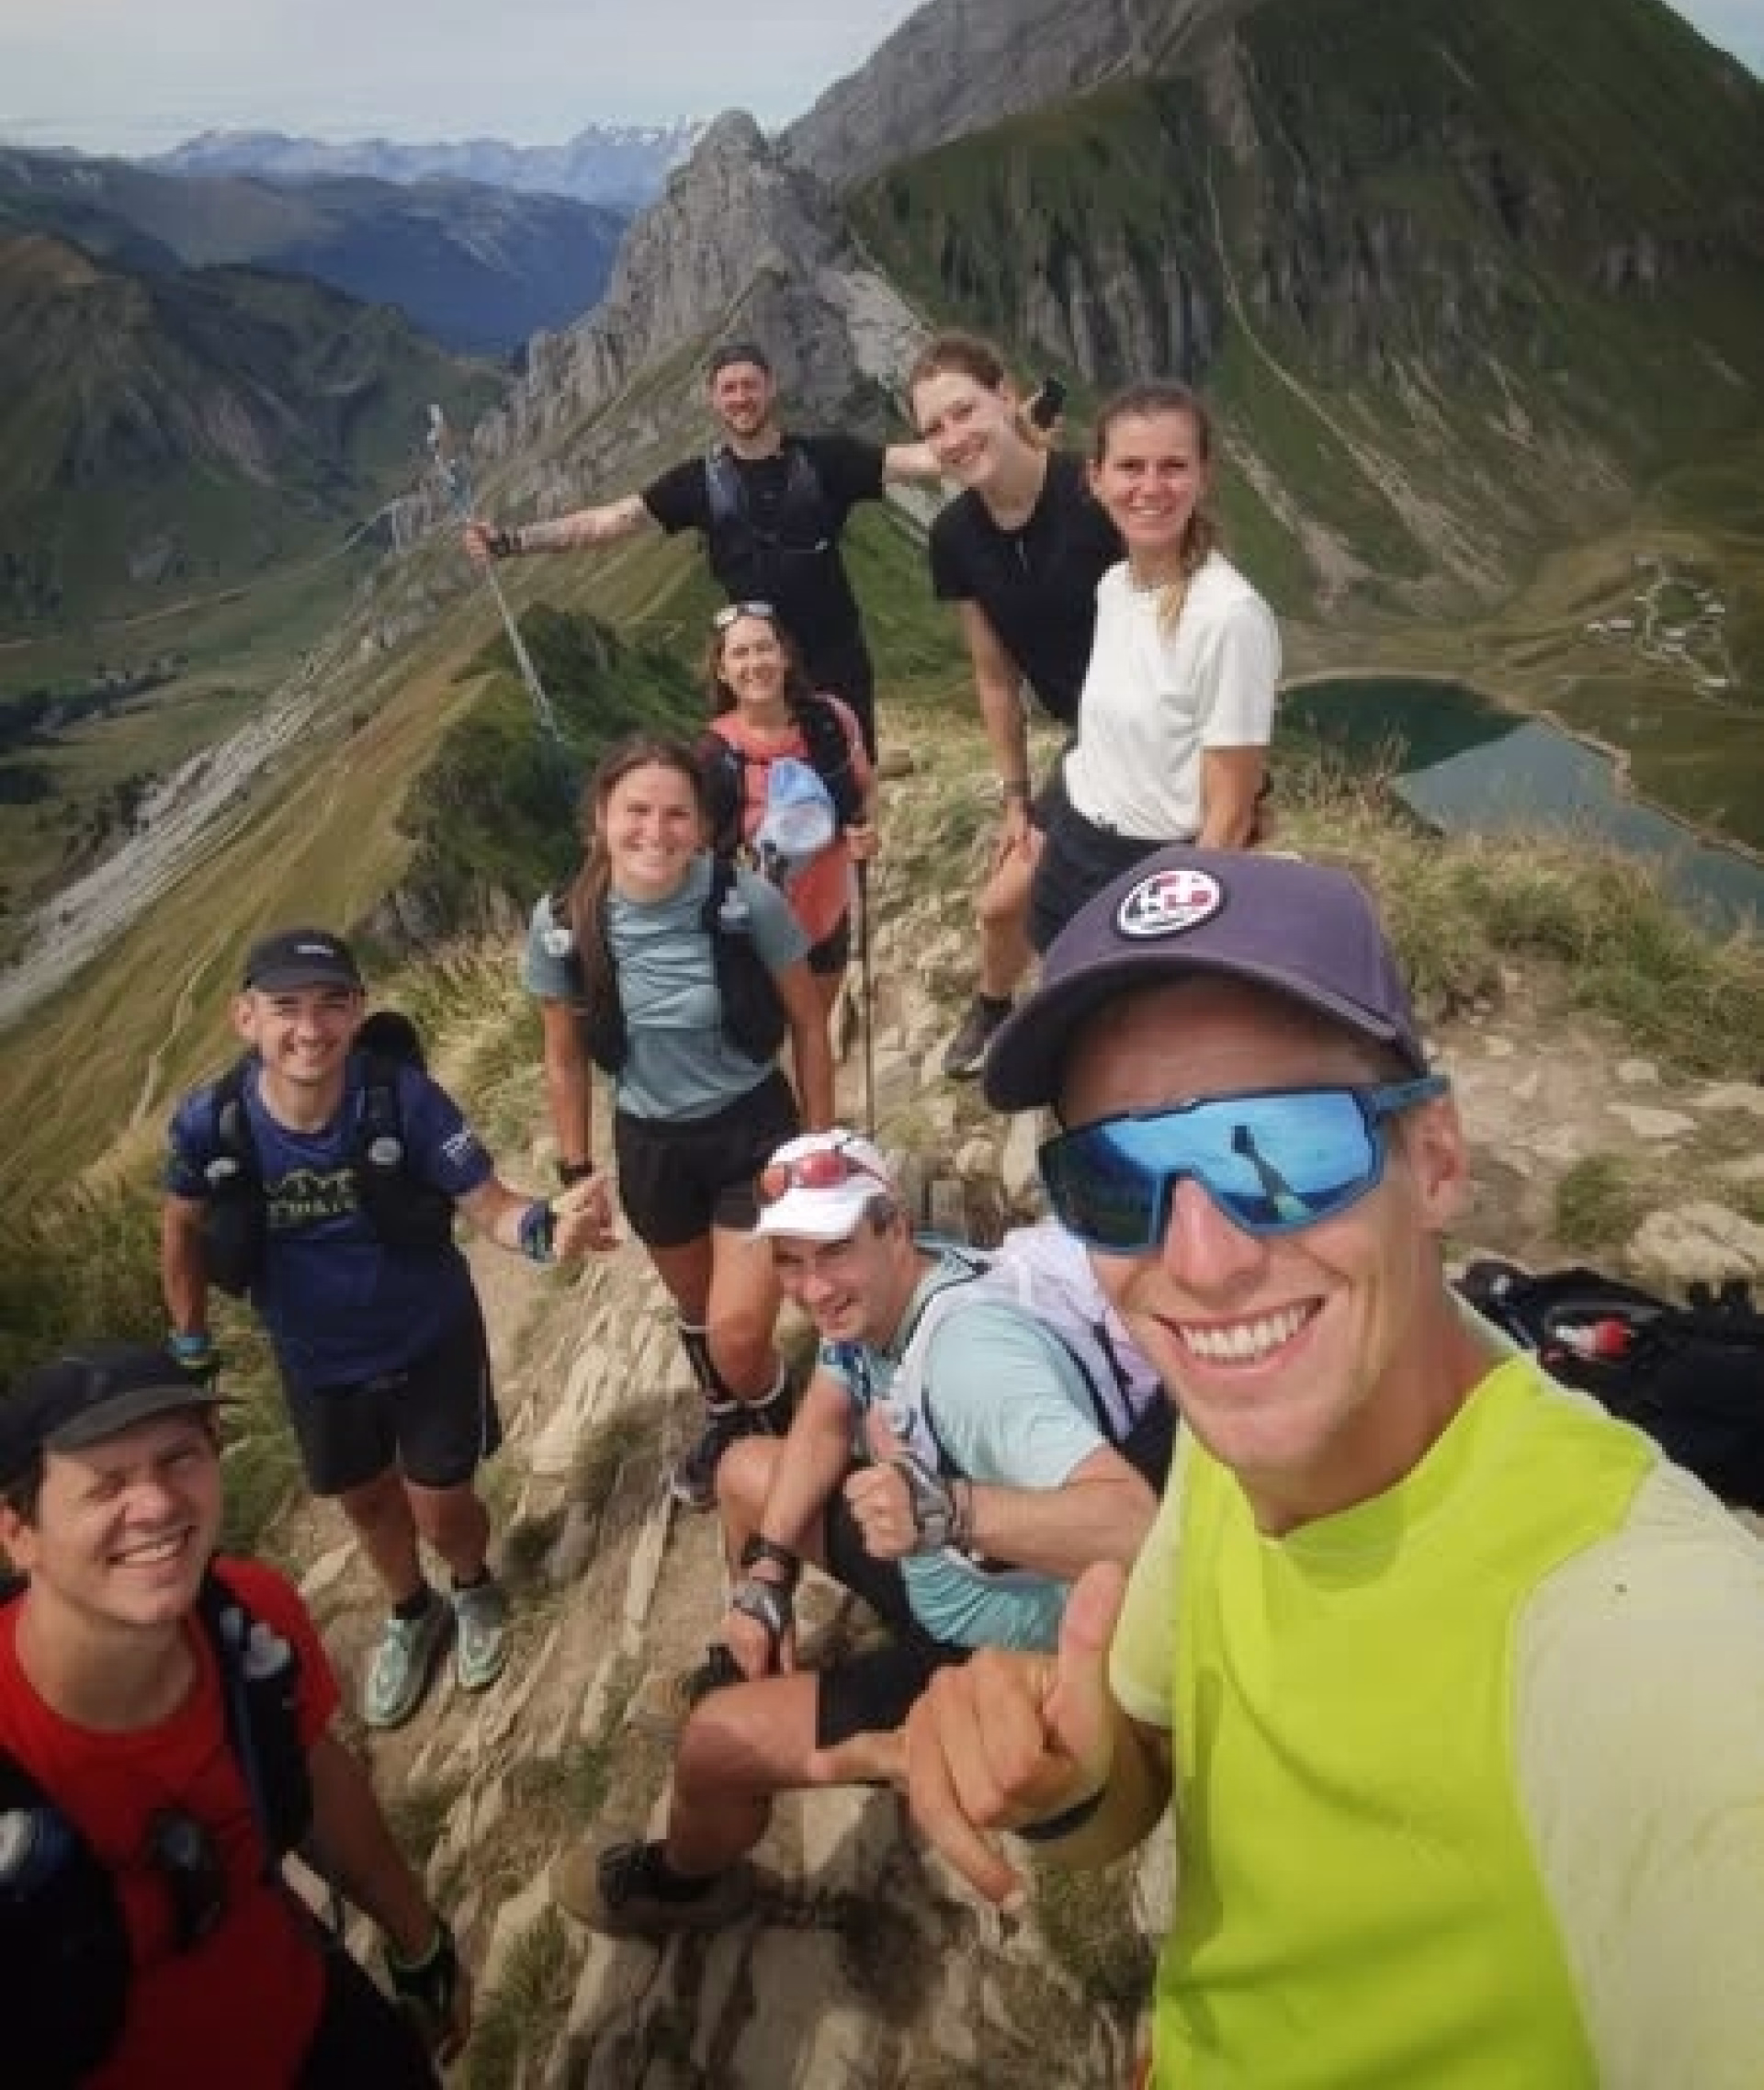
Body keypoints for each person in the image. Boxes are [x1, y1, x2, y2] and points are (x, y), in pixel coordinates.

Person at [902, 848, 1764, 2086]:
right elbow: (1141, 1768)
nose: (1200, 1260)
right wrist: (1067, 1777)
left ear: (1438, 1160)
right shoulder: (1230, 1427)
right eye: (1118, 1178)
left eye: (1282, 1148)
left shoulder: (1633, 1627)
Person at [550, 1128, 1160, 1936]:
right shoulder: (894, 1289)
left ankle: (685, 1882)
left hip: (990, 1650)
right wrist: (766, 1574)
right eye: (789, 1261)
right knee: (742, 1473)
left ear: (894, 1228)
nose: (811, 1289)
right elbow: (825, 1416)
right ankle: (750, 1655)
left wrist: (952, 1510)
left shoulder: (972, 1365)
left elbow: (1135, 1525)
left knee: (707, 1750)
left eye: (832, 1250)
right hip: (931, 1565)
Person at [161, 928, 606, 1732]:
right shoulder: (210, 1123)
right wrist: (190, 1351)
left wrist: (546, 1228)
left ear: (360, 1012)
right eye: (286, 1007)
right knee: (366, 1503)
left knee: (441, 1505)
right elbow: (182, 1230)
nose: (310, 1028)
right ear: (245, 1018)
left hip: (429, 1338)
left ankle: (471, 1585)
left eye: (332, 1005)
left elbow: (488, 1203)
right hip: (315, 1360)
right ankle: (412, 1609)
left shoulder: (403, 1098)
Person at [0, 1340, 470, 2084]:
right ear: (19, 1533)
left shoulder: (250, 1620)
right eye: (105, 1484)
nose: (156, 1504)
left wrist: (418, 1942)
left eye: (180, 1457)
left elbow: (316, 1783)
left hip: (318, 2028)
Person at [523, 734, 835, 1511]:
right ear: (600, 818)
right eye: (636, 812)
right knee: (697, 1311)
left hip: (750, 1130)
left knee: (735, 1331)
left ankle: (788, 1443)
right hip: (651, 1145)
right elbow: (563, 1058)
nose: (654, 833)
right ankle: (729, 1423)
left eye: (676, 815)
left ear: (701, 827)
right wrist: (574, 1171)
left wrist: (818, 1145)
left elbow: (808, 1021)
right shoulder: (564, 922)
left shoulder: (741, 899)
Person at [464, 339, 944, 755]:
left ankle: (851, 861)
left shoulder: (826, 461)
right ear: (712, 400)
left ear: (770, 388)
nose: (741, 399)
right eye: (729, 389)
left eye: (750, 385)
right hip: (755, 668)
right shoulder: (697, 484)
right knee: (761, 797)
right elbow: (611, 522)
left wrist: (995, 432)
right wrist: (512, 542)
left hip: (835, 658)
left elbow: (914, 460)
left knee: (851, 789)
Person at [909, 333, 1122, 1078]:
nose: (953, 437)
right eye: (934, 428)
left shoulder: (1094, 490)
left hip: (1165, 738)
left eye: (964, 410)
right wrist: (1015, 801)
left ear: (1006, 396)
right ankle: (994, 1004)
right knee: (1002, 907)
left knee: (1090, 909)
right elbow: (994, 676)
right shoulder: (955, 538)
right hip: (1090, 748)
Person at [1027, 382, 1281, 955]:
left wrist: (1187, 923)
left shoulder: (1228, 616)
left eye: (1173, 466)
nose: (1150, 488)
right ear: (1096, 478)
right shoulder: (1115, 585)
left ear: (1203, 476)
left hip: (1153, 868)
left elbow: (1230, 813)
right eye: (1130, 467)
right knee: (1060, 989)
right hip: (1074, 840)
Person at [698, 601, 876, 1021]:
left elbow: (865, 791)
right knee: (773, 1043)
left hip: (826, 915)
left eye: (764, 648)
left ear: (784, 656)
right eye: (739, 654)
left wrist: (863, 830)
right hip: (753, 932)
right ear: (722, 670)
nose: (754, 663)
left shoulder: (832, 720)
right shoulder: (712, 754)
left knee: (813, 1029)